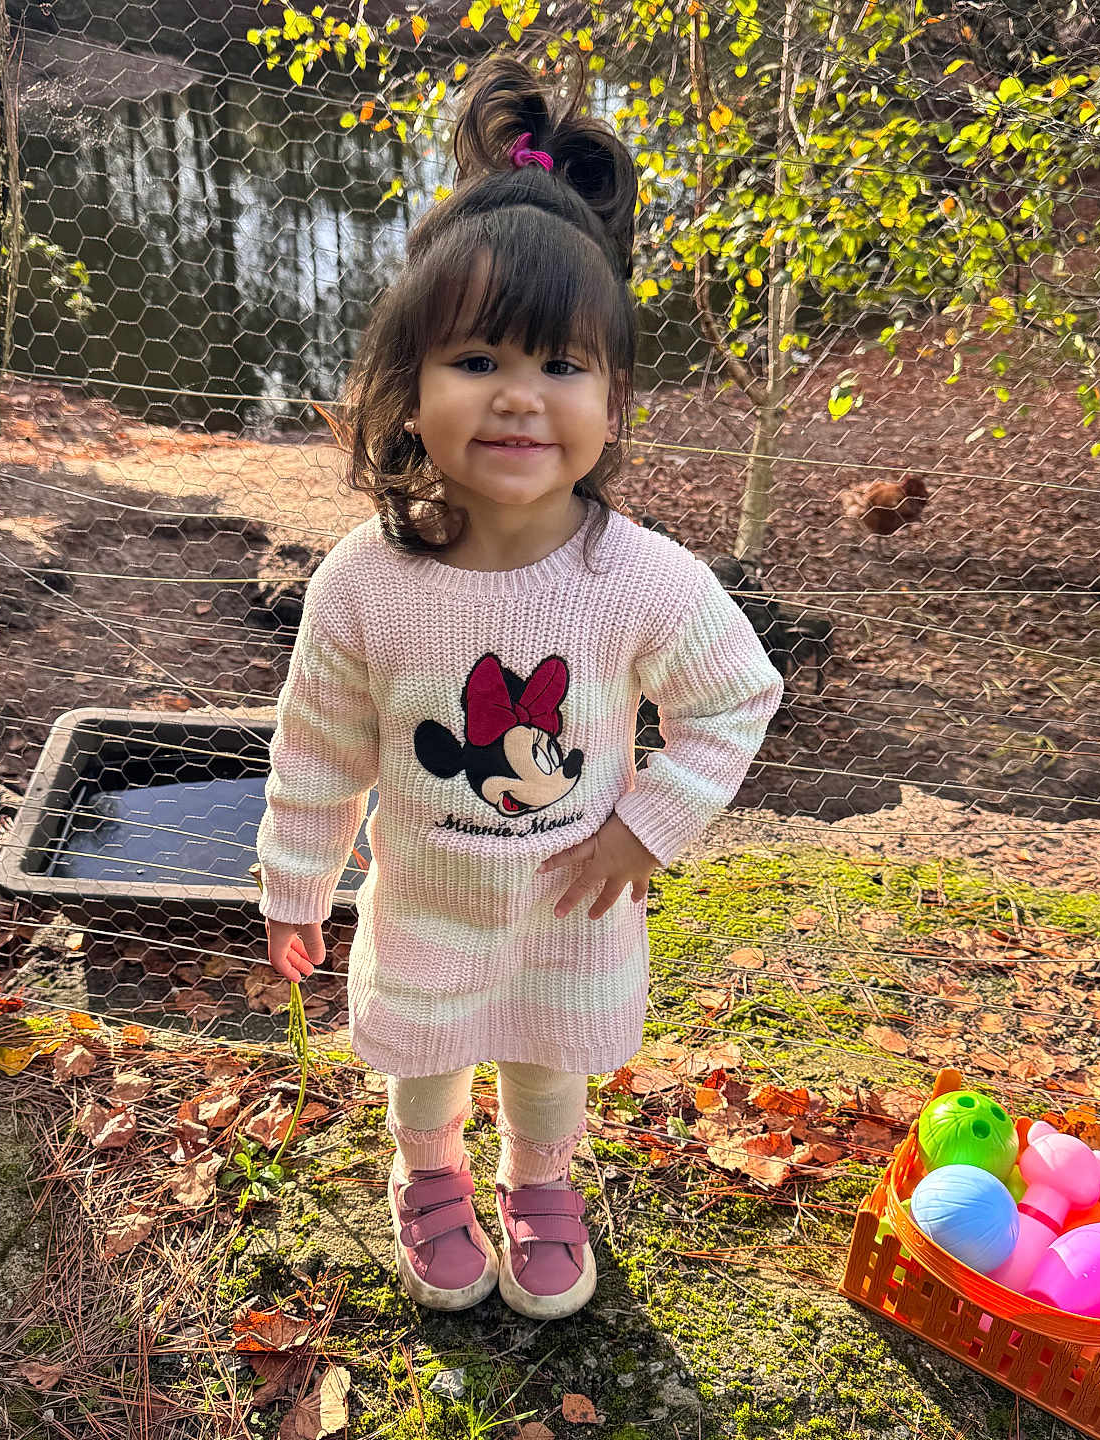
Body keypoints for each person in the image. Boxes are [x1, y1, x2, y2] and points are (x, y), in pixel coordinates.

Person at [255, 50, 784, 1322]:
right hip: (428, 898)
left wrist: (647, 827)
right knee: (425, 1051)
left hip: (573, 906)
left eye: (561, 365)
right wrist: (295, 882)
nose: (518, 400)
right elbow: (318, 749)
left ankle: (541, 1184)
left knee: (551, 1056)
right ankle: (429, 1174)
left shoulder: (638, 576)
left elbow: (733, 699)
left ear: (613, 396)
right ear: (409, 387)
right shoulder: (366, 581)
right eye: (478, 359)